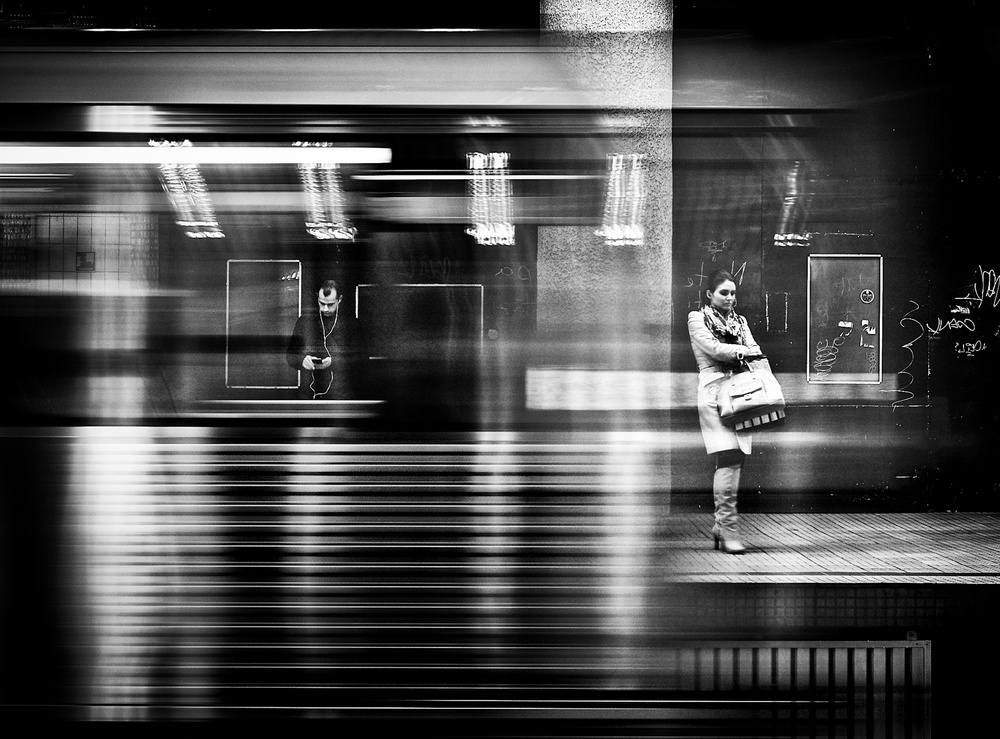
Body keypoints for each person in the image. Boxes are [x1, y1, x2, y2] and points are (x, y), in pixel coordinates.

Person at [686, 269, 765, 554]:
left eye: (733, 293)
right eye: (724, 293)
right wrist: (742, 351)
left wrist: (749, 355)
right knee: (729, 455)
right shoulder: (697, 318)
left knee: (736, 458)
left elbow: (755, 348)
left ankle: (722, 525)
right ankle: (729, 528)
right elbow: (714, 349)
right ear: (710, 294)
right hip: (714, 393)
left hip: (741, 391)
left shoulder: (740, 321)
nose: (730, 298)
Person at [287, 279, 370, 400]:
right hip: (310, 393)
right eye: (321, 303)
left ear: (339, 299)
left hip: (342, 394)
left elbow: (362, 359)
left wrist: (334, 362)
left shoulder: (351, 324)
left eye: (330, 304)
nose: (325, 309)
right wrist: (302, 360)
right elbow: (290, 356)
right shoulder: (304, 322)